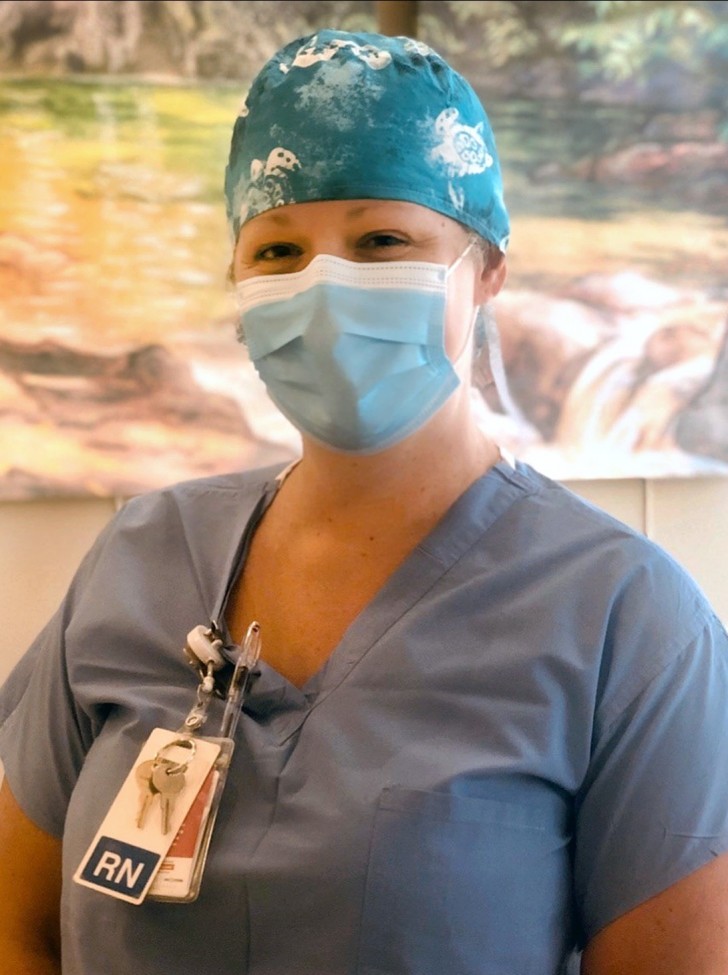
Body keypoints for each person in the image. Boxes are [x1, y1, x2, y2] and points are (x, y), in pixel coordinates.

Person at [1, 28, 728, 975]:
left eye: (383, 240)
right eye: (278, 249)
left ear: (489, 268)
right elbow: (17, 925)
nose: (324, 286)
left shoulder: (628, 620)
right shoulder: (140, 556)